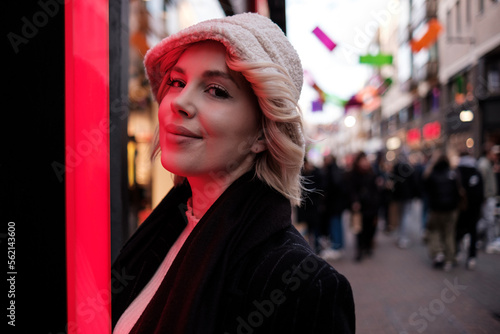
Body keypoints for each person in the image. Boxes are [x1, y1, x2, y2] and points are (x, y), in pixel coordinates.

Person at [111, 13, 355, 334]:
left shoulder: (302, 285)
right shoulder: (166, 227)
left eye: (216, 90)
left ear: (262, 135)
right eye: (177, 82)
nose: (180, 101)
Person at [423, 151, 461, 272]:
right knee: (449, 233)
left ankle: (438, 253)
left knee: (435, 232)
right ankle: (449, 259)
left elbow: (425, 187)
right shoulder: (452, 174)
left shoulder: (432, 173)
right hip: (451, 209)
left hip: (436, 209)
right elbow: (457, 191)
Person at [347, 152, 380, 262]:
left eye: (366, 160)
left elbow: (375, 190)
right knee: (359, 229)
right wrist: (354, 201)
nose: (365, 163)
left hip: (371, 206)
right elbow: (351, 190)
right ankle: (360, 249)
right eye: (362, 160)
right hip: (359, 207)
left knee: (370, 228)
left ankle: (368, 246)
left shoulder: (372, 173)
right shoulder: (353, 174)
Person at [455, 151, 484, 270]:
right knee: (473, 232)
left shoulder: (457, 172)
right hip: (474, 209)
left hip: (461, 208)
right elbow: (481, 192)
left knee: (458, 230)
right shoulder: (476, 172)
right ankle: (471, 257)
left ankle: (457, 252)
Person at [320, 154, 348, 260]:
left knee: (335, 224)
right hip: (337, 204)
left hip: (334, 205)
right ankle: (339, 246)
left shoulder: (331, 171)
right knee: (337, 224)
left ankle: (337, 246)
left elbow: (332, 188)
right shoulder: (337, 170)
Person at [477, 143, 499, 253]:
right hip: (487, 197)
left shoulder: (488, 165)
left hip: (489, 196)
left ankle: (480, 238)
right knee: (488, 220)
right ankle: (479, 238)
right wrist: (485, 197)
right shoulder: (484, 165)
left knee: (488, 220)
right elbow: (483, 184)